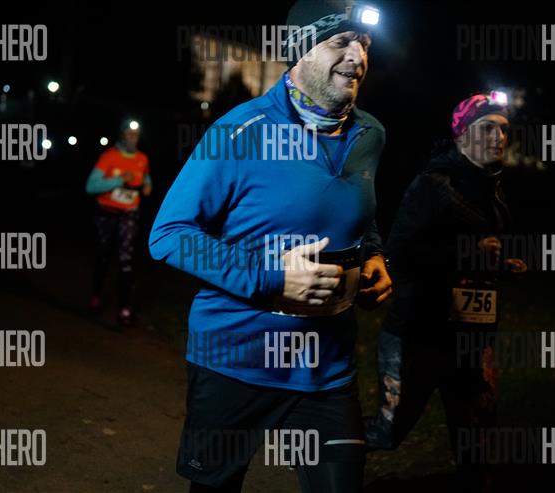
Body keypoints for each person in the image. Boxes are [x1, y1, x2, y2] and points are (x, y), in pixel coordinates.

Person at [148, 1, 391, 491]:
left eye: (364, 44)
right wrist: (272, 277)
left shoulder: (371, 134)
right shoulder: (240, 130)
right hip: (236, 360)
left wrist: (373, 257)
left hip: (325, 367)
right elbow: (169, 235)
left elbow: (359, 217)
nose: (357, 57)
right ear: (300, 51)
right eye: (341, 42)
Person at [364, 91, 527, 490]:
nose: (498, 138)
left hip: (472, 341)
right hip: (419, 336)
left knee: (477, 438)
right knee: (388, 431)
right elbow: (399, 253)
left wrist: (500, 266)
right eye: (487, 128)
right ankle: (329, 463)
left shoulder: (492, 187)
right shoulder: (433, 185)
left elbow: (474, 257)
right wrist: (468, 253)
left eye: (503, 130)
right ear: (462, 135)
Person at [85, 119, 152, 326]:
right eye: (129, 133)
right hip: (106, 212)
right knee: (103, 255)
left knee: (126, 259)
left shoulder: (142, 158)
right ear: (122, 134)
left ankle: (124, 308)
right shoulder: (109, 156)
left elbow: (146, 178)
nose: (133, 137)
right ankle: (96, 295)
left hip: (129, 214)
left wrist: (147, 185)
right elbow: (91, 186)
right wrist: (119, 179)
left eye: (136, 134)